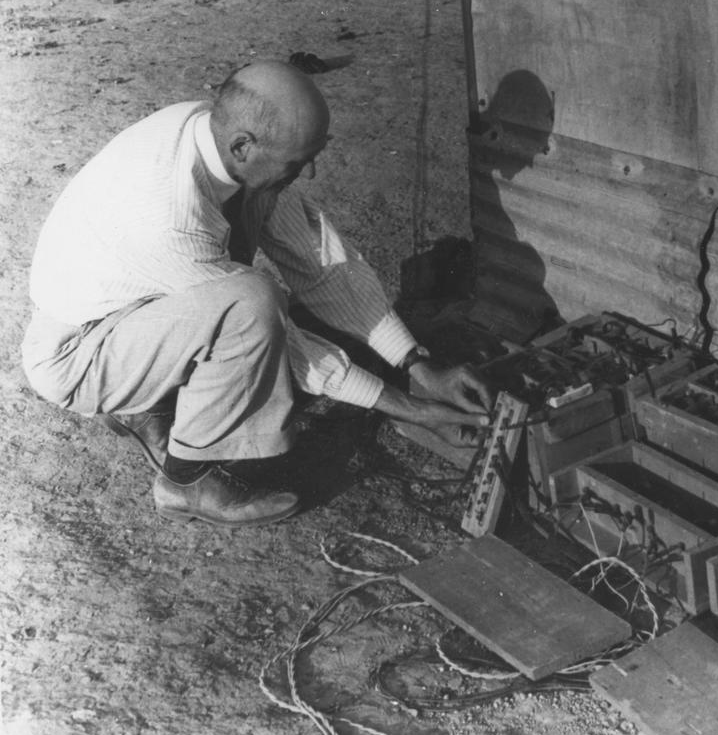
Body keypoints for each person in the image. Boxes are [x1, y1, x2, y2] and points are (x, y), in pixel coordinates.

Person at [22, 59, 492, 527]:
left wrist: (417, 362)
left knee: (255, 289)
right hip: (79, 353)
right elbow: (282, 340)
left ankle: (150, 403)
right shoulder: (169, 214)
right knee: (253, 303)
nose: (307, 175)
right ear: (243, 146)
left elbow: (321, 262)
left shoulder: (218, 140)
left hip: (141, 314)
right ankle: (186, 481)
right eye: (297, 163)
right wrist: (411, 407)